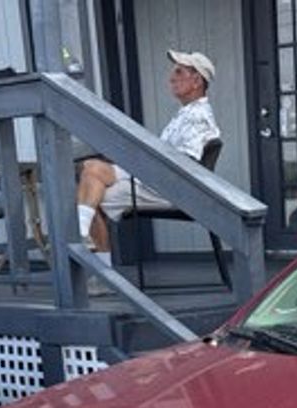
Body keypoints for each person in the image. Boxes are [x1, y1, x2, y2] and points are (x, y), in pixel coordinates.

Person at [76, 49, 220, 254]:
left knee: (92, 193)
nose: (171, 78)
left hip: (168, 186)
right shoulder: (187, 113)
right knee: (91, 169)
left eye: (179, 72)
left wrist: (143, 161)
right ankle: (83, 234)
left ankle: (98, 269)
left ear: (196, 81)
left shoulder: (198, 117)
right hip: (155, 176)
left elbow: (188, 164)